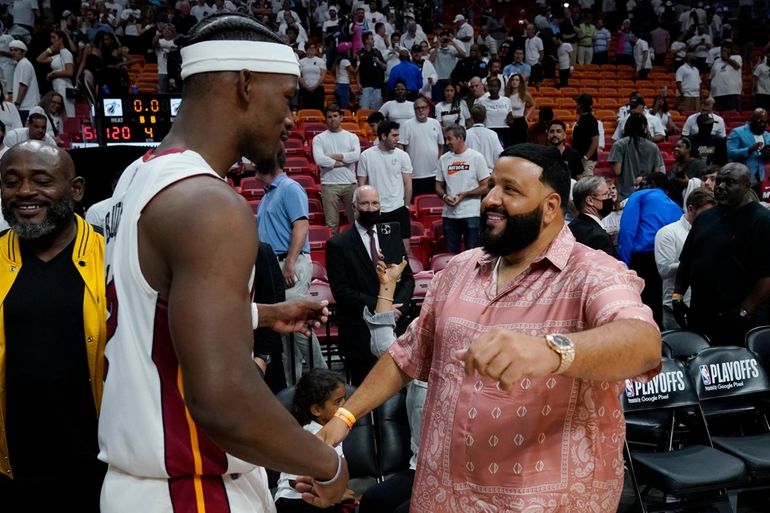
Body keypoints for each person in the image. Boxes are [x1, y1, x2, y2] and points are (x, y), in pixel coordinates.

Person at [318, 143, 661, 513]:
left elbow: (643, 342)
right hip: (444, 496)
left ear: (550, 207)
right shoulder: (460, 270)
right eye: (493, 186)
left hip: (542, 503)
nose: (491, 199)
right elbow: (407, 354)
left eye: (510, 190)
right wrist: (345, 417)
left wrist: (551, 351)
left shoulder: (592, 273)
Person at [98, 13, 350, 512]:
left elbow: (148, 315)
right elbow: (223, 398)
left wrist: (260, 315)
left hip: (140, 483)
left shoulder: (135, 179)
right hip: (191, 486)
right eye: (286, 98)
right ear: (245, 83)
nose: (290, 118)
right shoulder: (207, 203)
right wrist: (330, 466)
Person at [0, 142, 106, 512]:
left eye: (41, 180)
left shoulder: (112, 256)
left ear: (76, 189)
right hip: (12, 470)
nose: (25, 192)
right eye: (11, 182)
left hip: (101, 466)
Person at [325, 185, 414, 385]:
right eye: (365, 203)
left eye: (375, 203)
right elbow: (341, 291)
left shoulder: (391, 236)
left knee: (398, 399)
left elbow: (408, 278)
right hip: (360, 335)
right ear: (355, 206)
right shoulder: (338, 244)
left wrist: (396, 308)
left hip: (396, 331)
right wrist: (383, 308)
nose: (371, 208)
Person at [674, 163, 770, 346]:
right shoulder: (704, 218)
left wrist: (744, 311)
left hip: (740, 321)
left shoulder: (762, 221)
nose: (720, 187)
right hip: (701, 316)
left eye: (730, 182)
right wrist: (677, 297)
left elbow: (767, 277)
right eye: (719, 181)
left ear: (747, 186)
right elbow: (686, 262)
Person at [256, 152, 328, 384]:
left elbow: (301, 224)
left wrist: (290, 263)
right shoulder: (269, 194)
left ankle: (325, 378)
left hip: (290, 262)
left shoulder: (289, 188)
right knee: (283, 331)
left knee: (296, 323)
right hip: (274, 264)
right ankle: (292, 386)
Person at [274, 369, 354, 513]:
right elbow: (295, 481)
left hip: (318, 496)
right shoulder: (308, 435)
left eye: (344, 399)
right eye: (337, 402)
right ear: (316, 410)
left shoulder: (333, 427)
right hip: (296, 501)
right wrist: (338, 494)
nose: (344, 405)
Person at [617, 172, 683, 327]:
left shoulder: (640, 195)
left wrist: (624, 265)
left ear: (651, 183)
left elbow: (627, 230)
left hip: (643, 259)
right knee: (661, 307)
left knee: (643, 310)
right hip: (670, 262)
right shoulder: (677, 206)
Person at [654, 187, 715, 330]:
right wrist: (697, 261)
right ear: (691, 208)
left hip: (705, 305)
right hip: (675, 306)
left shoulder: (710, 230)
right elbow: (664, 270)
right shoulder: (668, 233)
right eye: (706, 212)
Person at [357, 120, 413, 256]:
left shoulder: (403, 155)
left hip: (398, 209)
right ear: (383, 136)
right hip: (375, 210)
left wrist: (406, 205)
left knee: (405, 250)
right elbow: (361, 184)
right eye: (394, 136)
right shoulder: (366, 156)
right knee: (376, 251)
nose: (397, 139)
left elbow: (408, 183)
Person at [435, 124, 490, 254]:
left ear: (460, 138)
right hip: (449, 214)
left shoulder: (476, 157)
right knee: (451, 254)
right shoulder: (444, 159)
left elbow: (486, 186)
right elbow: (438, 186)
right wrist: (444, 197)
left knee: (473, 254)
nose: (447, 142)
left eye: (449, 139)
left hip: (471, 214)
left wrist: (465, 194)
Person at [312, 104, 360, 235]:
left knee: (355, 222)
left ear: (341, 117)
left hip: (350, 183)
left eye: (335, 116)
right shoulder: (319, 139)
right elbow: (319, 160)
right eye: (329, 117)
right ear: (325, 119)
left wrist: (332, 157)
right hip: (329, 184)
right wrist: (344, 161)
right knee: (331, 225)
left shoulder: (352, 137)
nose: (332, 119)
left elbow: (356, 156)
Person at [609, 112, 663, 200]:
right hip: (647, 194)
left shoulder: (619, 145)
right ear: (644, 127)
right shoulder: (653, 147)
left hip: (625, 194)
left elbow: (617, 171)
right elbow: (656, 173)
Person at [398, 98, 444, 198]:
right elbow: (401, 145)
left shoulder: (435, 123)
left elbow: (441, 144)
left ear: (428, 109)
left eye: (423, 107)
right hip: (415, 174)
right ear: (414, 110)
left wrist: (438, 160)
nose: (420, 110)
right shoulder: (407, 125)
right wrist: (405, 164)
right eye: (417, 108)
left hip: (434, 173)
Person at [569, 176, 616, 257]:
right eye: (606, 195)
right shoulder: (598, 237)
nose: (610, 198)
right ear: (590, 200)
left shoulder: (571, 226)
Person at [35, 30, 76, 118]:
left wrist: (54, 73)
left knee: (66, 112)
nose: (51, 40)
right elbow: (39, 59)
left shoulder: (66, 53)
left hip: (64, 87)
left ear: (61, 39)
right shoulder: (58, 55)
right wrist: (50, 49)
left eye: (54, 38)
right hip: (57, 86)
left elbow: (70, 72)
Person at [726, 108, 770, 184]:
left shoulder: (767, 135)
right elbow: (730, 153)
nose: (762, 124)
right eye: (759, 122)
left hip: (762, 175)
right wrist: (749, 149)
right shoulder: (737, 132)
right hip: (742, 175)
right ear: (751, 121)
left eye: (764, 122)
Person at [465, 104, 504, 174]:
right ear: (485, 117)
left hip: (470, 173)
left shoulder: (466, 134)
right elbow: (499, 154)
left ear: (471, 117)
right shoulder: (492, 134)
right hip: (488, 173)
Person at [9, 40, 39, 124]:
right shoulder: (20, 64)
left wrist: (17, 103)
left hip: (26, 107)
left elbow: (23, 85)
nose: (13, 53)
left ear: (23, 52)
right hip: (24, 107)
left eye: (16, 50)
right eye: (11, 50)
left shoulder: (24, 64)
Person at [476, 76, 511, 147]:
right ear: (488, 87)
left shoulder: (507, 100)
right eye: (491, 86)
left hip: (504, 130)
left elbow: (510, 116)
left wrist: (510, 119)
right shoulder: (481, 101)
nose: (493, 89)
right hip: (488, 129)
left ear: (499, 87)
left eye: (495, 86)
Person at [571, 93, 599, 176]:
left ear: (581, 105)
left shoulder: (590, 120)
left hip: (586, 162)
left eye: (577, 103)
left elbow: (595, 140)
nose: (576, 106)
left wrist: (585, 157)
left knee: (586, 186)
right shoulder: (582, 119)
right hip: (579, 160)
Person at [709, 44, 742, 112]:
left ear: (729, 50)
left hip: (732, 92)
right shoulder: (716, 61)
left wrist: (726, 58)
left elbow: (737, 66)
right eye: (721, 51)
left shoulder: (736, 57)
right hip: (717, 93)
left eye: (724, 50)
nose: (722, 53)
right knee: (719, 114)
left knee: (733, 113)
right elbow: (711, 77)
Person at [357, 32, 385, 110]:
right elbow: (357, 71)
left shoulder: (377, 52)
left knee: (376, 111)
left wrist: (379, 61)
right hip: (365, 86)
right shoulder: (360, 54)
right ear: (366, 41)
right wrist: (358, 83)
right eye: (372, 39)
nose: (374, 41)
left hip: (377, 87)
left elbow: (384, 67)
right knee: (364, 110)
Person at [505, 73, 535, 145]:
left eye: (517, 80)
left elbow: (533, 104)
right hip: (509, 122)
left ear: (520, 82)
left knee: (520, 144)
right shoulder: (506, 94)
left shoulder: (524, 94)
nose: (514, 82)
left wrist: (526, 117)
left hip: (520, 121)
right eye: (513, 80)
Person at [299, 43, 327, 110]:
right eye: (310, 48)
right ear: (306, 50)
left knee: (318, 108)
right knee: (307, 108)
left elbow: (323, 75)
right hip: (306, 89)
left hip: (318, 88)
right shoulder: (301, 61)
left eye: (314, 48)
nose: (312, 49)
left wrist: (315, 86)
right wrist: (306, 86)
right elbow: (300, 76)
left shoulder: (320, 61)